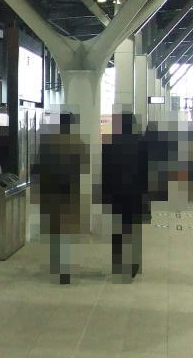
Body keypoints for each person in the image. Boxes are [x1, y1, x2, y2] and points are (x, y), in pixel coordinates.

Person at [30, 111, 89, 284]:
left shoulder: (48, 141)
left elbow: (38, 167)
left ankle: (55, 265)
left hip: (50, 193)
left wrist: (36, 189)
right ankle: (64, 268)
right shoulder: (78, 143)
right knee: (65, 232)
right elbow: (84, 165)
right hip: (69, 193)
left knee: (54, 231)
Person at [101, 110, 148, 282]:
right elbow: (147, 171)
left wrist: (104, 193)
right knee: (132, 229)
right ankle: (132, 264)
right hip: (135, 194)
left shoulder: (109, 144)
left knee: (118, 229)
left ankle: (119, 264)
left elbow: (104, 171)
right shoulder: (142, 144)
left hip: (116, 193)